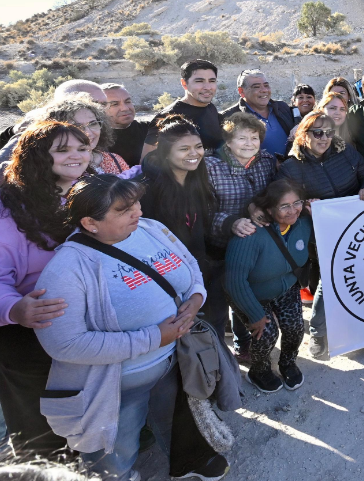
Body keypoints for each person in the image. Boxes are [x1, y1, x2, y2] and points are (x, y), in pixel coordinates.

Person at [35, 175, 226, 481]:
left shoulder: (153, 229)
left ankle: (186, 461)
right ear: (90, 223)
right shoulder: (67, 270)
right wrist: (154, 337)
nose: (137, 211)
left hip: (171, 361)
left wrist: (196, 298)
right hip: (118, 384)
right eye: (123, 209)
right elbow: (65, 344)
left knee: (173, 418)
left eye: (136, 201)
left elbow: (190, 267)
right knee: (114, 451)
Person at [0, 121, 91, 460]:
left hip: (85, 331)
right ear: (36, 158)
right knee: (41, 432)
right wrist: (14, 308)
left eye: (82, 148)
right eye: (63, 150)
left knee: (84, 418)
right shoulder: (1, 213)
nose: (76, 156)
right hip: (28, 337)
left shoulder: (89, 196)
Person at [280, 111, 364, 358]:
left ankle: (361, 322)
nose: (324, 138)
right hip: (320, 231)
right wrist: (303, 208)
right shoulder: (291, 167)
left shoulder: (345, 152)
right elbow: (287, 202)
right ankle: (319, 332)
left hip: (357, 225)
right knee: (331, 278)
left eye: (329, 132)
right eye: (317, 132)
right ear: (303, 135)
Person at [136, 116, 228, 339]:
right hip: (165, 284)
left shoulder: (196, 183)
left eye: (198, 147)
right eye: (184, 149)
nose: (194, 153)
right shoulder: (146, 191)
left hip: (198, 277)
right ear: (166, 153)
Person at [225, 179, 311, 393]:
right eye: (284, 206)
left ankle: (287, 362)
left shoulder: (303, 223)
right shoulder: (249, 235)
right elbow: (234, 281)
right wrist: (254, 313)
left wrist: (315, 208)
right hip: (253, 294)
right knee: (266, 333)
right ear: (270, 209)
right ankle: (259, 370)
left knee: (295, 328)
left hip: (287, 288)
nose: (293, 210)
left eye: (297, 203)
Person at [205, 112, 279, 351]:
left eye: (254, 138)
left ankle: (245, 339)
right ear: (228, 141)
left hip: (255, 242)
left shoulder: (266, 161)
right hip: (220, 243)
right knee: (223, 296)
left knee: (247, 291)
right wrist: (231, 222)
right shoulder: (210, 167)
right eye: (242, 138)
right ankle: (229, 346)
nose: (249, 144)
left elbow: (273, 194)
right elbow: (202, 211)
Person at [0, 80, 109, 150]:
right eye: (92, 103)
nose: (100, 109)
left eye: (104, 104)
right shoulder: (38, 139)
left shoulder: (106, 128)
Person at [143, 60, 224, 157]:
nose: (207, 87)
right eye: (199, 81)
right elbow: (147, 161)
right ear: (184, 83)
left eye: (212, 81)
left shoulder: (210, 107)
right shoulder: (167, 117)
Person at [30, 96, 130, 174]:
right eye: (76, 126)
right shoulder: (52, 166)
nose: (88, 132)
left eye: (93, 123)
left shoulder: (115, 160)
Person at [222, 69, 299, 157]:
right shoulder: (230, 117)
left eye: (266, 85)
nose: (264, 90)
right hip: (257, 170)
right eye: (256, 87)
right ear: (241, 91)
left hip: (289, 168)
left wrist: (298, 126)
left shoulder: (282, 107)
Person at [100, 84, 150, 167]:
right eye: (115, 104)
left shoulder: (152, 129)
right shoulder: (95, 139)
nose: (125, 108)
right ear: (100, 109)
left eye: (128, 102)